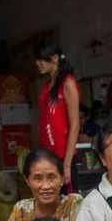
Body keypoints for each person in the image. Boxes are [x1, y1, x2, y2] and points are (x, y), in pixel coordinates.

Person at [34, 43, 80, 188]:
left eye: (41, 59)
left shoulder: (68, 83)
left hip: (63, 155)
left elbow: (75, 125)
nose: (37, 63)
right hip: (47, 154)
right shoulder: (47, 85)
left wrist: (67, 164)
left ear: (54, 58)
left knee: (68, 205)